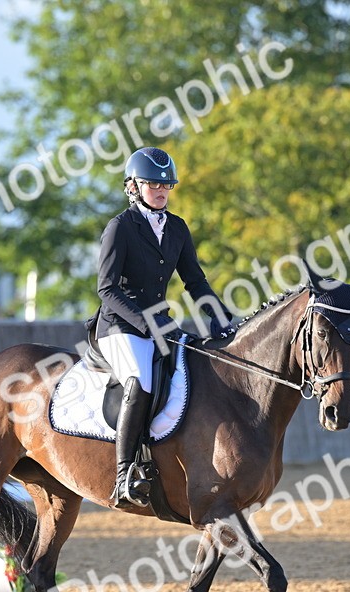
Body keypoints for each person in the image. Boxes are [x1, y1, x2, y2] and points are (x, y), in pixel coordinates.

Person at [94, 146, 234, 508]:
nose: (160, 191)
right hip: (120, 326)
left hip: (161, 324)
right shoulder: (120, 228)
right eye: (152, 184)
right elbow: (107, 289)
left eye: (166, 185)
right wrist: (147, 322)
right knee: (141, 379)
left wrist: (219, 320)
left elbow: (196, 282)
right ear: (133, 186)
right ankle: (124, 473)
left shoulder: (177, 228)